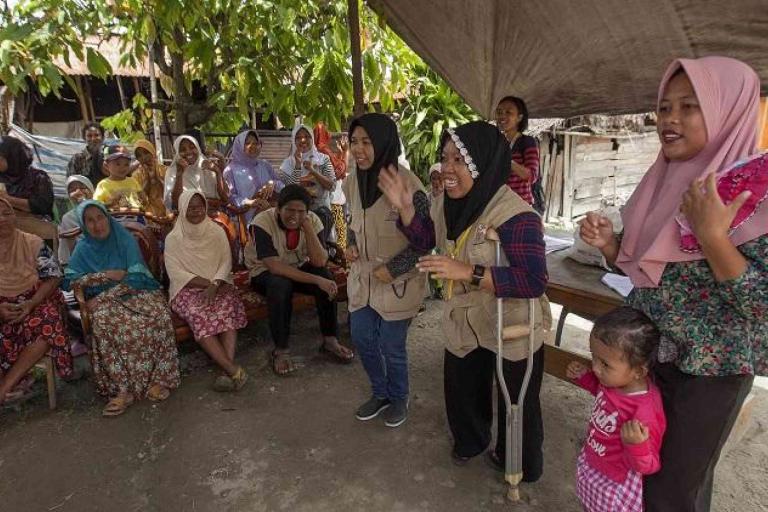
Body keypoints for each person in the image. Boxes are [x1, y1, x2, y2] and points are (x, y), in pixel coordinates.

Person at [579, 56, 767, 512]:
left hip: (711, 374)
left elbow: (762, 305)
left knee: (673, 492)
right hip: (652, 360)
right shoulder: (663, 183)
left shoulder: (756, 194)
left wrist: (713, 237)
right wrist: (611, 247)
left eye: (689, 106)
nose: (670, 119)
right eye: (664, 107)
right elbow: (653, 277)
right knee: (645, 471)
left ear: (728, 112)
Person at [414, 121, 549, 479]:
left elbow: (534, 279)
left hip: (513, 317)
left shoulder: (518, 216)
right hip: (468, 314)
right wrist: (404, 207)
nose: (448, 168)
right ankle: (471, 441)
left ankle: (518, 461)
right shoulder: (449, 205)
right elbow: (423, 235)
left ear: (482, 163)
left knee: (516, 399)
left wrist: (468, 271)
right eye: (445, 159)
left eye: (459, 160)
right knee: (461, 382)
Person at [344, 113, 434, 428]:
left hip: (399, 283)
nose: (358, 149)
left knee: (390, 345)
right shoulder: (352, 179)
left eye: (367, 142)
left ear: (383, 142)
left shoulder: (410, 187)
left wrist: (393, 269)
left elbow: (425, 242)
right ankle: (380, 392)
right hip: (363, 279)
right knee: (362, 337)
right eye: (354, 141)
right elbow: (350, 216)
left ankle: (399, 398)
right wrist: (351, 242)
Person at [62, 200, 180, 417]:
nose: (97, 224)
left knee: (159, 314)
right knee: (104, 322)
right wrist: (105, 275)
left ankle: (158, 380)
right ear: (84, 225)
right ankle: (122, 391)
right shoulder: (83, 248)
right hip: (103, 302)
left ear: (107, 217)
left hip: (136, 291)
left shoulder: (124, 239)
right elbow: (70, 280)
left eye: (100, 218)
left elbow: (134, 276)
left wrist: (105, 290)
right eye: (90, 221)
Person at [566, 307, 666, 512]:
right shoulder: (614, 381)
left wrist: (637, 444)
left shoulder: (644, 413)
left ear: (638, 371)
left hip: (615, 481)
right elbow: (604, 394)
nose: (595, 368)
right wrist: (585, 377)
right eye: (593, 357)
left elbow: (649, 465)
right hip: (595, 464)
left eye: (604, 364)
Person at [246, 184, 353, 375]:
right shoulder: (262, 222)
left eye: (301, 211)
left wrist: (307, 226)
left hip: (298, 266)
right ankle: (281, 350)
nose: (294, 216)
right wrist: (315, 280)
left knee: (325, 277)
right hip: (264, 272)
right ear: (278, 208)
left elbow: (319, 261)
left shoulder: (311, 220)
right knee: (281, 285)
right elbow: (274, 266)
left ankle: (330, 340)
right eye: (289, 210)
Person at [165, 190, 248, 391]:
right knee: (199, 313)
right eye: (190, 207)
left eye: (199, 207)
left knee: (226, 307)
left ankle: (225, 371)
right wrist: (207, 285)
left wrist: (215, 284)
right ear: (183, 209)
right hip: (187, 288)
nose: (196, 211)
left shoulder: (216, 231)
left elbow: (226, 261)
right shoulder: (174, 238)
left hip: (218, 283)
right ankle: (234, 369)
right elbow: (175, 273)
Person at [0, 197, 72, 404]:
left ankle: (5, 387)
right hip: (3, 305)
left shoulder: (31, 242)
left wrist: (31, 303)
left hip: (35, 298)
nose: (2, 219)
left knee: (48, 321)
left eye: (7, 213)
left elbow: (54, 276)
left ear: (15, 217)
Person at [279, 124, 336, 245]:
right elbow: (290, 190)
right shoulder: (287, 164)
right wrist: (298, 166)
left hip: (321, 216)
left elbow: (332, 186)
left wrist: (313, 171)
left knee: (321, 249)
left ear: (312, 139)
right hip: (296, 218)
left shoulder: (323, 159)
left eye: (306, 136)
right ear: (293, 140)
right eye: (298, 137)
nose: (303, 140)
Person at [223, 129, 284, 223]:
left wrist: (273, 183)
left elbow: (282, 186)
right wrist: (250, 202)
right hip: (244, 220)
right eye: (247, 143)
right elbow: (229, 198)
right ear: (239, 146)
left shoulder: (265, 165)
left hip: (270, 216)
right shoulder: (230, 170)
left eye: (256, 143)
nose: (252, 146)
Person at [495, 96, 542, 212]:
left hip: (519, 207)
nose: (502, 116)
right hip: (499, 205)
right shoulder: (497, 142)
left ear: (519, 117)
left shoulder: (527, 142)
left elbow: (532, 176)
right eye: (499, 112)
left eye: (508, 112)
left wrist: (508, 161)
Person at [164, 135, 228, 211]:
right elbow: (175, 203)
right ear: (178, 153)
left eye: (192, 147)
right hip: (188, 218)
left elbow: (225, 198)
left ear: (198, 148)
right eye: (183, 150)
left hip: (213, 216)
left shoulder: (209, 167)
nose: (188, 152)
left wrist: (218, 172)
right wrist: (179, 174)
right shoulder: (172, 172)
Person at [0, 135, 54, 217]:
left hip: (34, 226)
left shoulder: (38, 177)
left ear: (13, 157)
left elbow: (43, 206)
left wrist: (7, 199)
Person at [314, 123, 349, 249]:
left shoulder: (315, 150)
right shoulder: (323, 149)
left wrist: (340, 154)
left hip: (322, 199)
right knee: (338, 231)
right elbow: (340, 171)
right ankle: (342, 259)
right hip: (332, 199)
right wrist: (346, 152)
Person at [93, 145, 146, 210]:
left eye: (126, 164)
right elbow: (96, 204)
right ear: (106, 165)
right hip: (116, 217)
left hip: (137, 215)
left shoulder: (132, 181)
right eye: (117, 164)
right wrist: (110, 204)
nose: (122, 168)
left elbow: (143, 198)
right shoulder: (103, 184)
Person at [58, 175, 94, 265]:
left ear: (91, 190)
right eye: (73, 190)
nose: (78, 192)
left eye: (83, 187)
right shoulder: (68, 218)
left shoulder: (102, 210)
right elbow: (66, 249)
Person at [132, 139, 167, 218]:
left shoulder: (165, 170)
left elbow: (170, 195)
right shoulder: (135, 175)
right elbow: (139, 200)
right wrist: (148, 179)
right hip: (148, 216)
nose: (143, 157)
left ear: (152, 151)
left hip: (168, 214)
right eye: (139, 155)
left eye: (146, 153)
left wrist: (157, 178)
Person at [67, 122, 106, 186]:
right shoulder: (77, 159)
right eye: (89, 136)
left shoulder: (110, 157)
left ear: (103, 137)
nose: (93, 139)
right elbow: (72, 183)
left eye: (96, 135)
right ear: (84, 138)